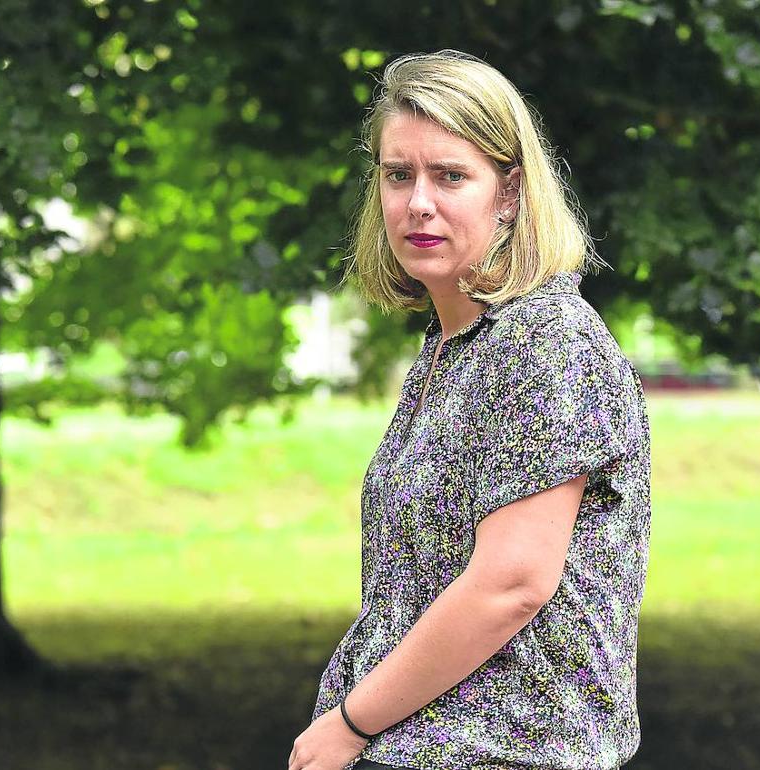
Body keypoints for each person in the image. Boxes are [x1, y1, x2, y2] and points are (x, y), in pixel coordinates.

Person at [287, 50, 652, 770]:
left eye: (450, 175)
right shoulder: (455, 347)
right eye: (399, 175)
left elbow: (510, 585)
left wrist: (349, 723)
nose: (418, 202)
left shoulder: (546, 342)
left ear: (509, 191)